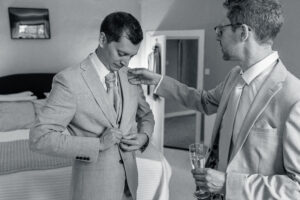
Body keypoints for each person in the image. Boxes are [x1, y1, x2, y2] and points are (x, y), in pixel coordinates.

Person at [127, 0, 300, 199]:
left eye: (221, 30)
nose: (217, 36)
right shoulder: (234, 76)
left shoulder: (294, 98)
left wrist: (227, 184)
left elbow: (296, 187)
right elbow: (204, 101)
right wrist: (158, 81)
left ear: (243, 33)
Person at [29, 11, 154, 200]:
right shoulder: (69, 81)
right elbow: (39, 138)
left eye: (132, 56)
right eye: (121, 53)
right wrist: (99, 144)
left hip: (130, 183)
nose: (126, 63)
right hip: (93, 190)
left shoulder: (130, 76)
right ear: (103, 39)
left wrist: (144, 136)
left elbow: (146, 116)